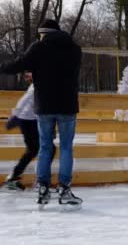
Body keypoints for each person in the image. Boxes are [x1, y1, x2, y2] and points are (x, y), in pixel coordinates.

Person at [0, 19, 82, 207]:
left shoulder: (39, 47)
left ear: (43, 33)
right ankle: (64, 188)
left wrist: (3, 67)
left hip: (45, 105)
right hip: (68, 105)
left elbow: (19, 64)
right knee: (67, 147)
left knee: (45, 146)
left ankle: (43, 186)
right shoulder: (75, 49)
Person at [3, 78, 54, 191]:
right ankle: (41, 181)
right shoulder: (39, 84)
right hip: (28, 120)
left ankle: (16, 177)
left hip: (32, 119)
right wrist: (15, 116)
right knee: (42, 149)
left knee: (37, 149)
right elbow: (24, 100)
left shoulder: (44, 84)